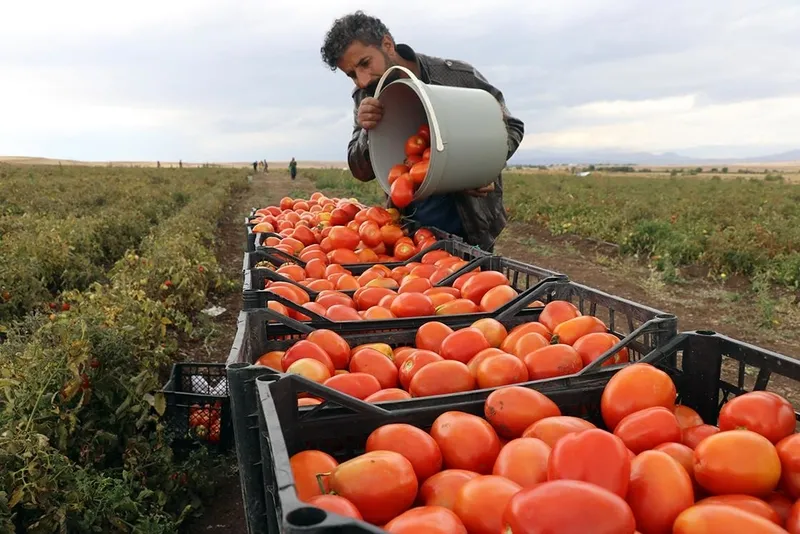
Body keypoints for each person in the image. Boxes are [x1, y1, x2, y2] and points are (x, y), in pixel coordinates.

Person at [320, 11, 524, 252]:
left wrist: (481, 167)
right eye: (352, 75)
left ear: (388, 45)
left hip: (472, 220)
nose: (362, 80)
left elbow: (511, 127)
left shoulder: (457, 77)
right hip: (412, 229)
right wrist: (367, 131)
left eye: (365, 63)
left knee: (474, 271)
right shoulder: (367, 94)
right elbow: (361, 171)